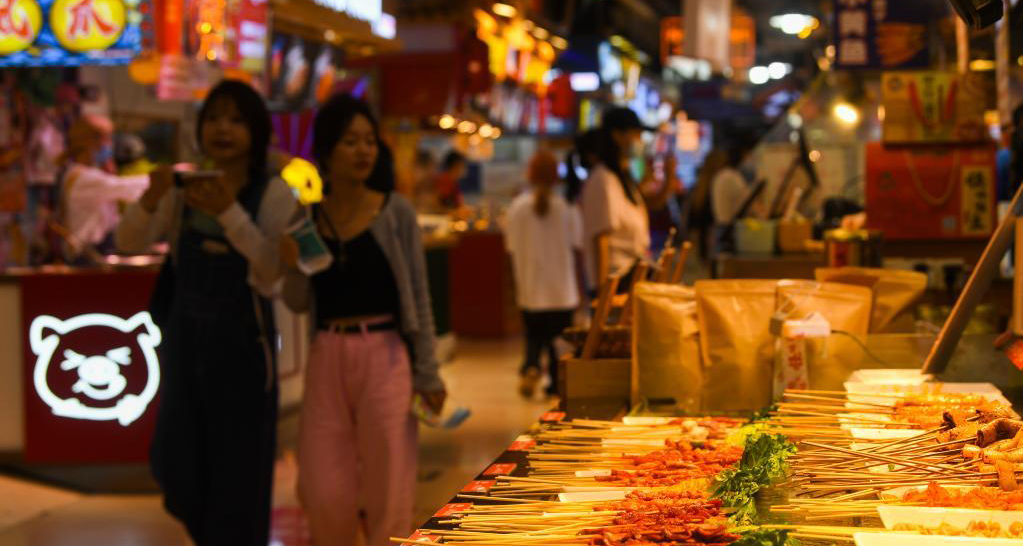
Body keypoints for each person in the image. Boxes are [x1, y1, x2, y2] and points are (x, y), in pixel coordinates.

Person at [116, 80, 297, 546]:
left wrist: (231, 213)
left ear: (256, 131)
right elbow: (127, 242)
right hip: (184, 350)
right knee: (178, 468)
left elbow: (273, 272)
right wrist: (151, 198)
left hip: (243, 355)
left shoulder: (274, 194)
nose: (223, 129)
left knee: (240, 480)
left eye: (236, 120)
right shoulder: (183, 190)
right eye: (214, 117)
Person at [281, 93, 447, 546]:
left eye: (369, 142)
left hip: (386, 352)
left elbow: (418, 295)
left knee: (389, 480)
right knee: (322, 484)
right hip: (327, 352)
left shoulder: (395, 213)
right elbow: (296, 301)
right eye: (350, 141)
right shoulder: (307, 218)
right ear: (327, 150)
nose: (363, 151)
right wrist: (290, 262)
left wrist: (428, 371)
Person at [505, 150, 582, 398]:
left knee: (534, 335)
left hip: (531, 287)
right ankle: (556, 382)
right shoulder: (567, 208)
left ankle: (531, 366)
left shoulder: (517, 208)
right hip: (561, 290)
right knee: (559, 343)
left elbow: (511, 248)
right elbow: (577, 246)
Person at [580, 107, 677, 292]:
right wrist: (603, 295)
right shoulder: (603, 180)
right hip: (615, 282)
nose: (640, 141)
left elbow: (651, 203)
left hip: (630, 275)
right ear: (617, 136)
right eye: (636, 134)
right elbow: (601, 239)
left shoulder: (621, 177)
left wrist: (668, 179)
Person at [59, 114, 151, 260]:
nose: (109, 145)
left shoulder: (82, 172)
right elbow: (125, 188)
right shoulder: (83, 178)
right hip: (87, 255)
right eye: (107, 138)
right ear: (90, 141)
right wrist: (166, 177)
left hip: (97, 249)